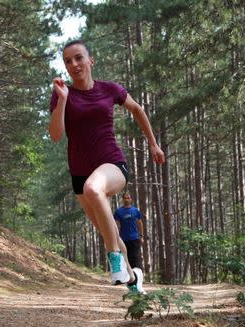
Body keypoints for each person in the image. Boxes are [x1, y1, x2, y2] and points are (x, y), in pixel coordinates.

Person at [49, 39, 165, 294]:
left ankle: (113, 259)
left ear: (91, 60)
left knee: (94, 188)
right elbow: (57, 135)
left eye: (79, 58)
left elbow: (137, 109)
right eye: (68, 61)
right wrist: (62, 100)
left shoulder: (109, 89)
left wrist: (154, 145)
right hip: (78, 173)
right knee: (109, 230)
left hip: (111, 163)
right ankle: (135, 280)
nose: (74, 64)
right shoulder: (62, 95)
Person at [114, 192, 144, 271]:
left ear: (131, 199)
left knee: (135, 258)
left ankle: (135, 277)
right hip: (123, 239)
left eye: (128, 198)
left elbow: (140, 223)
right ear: (122, 199)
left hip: (134, 239)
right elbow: (115, 225)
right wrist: (115, 237)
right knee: (124, 258)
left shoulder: (135, 210)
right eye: (125, 198)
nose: (126, 199)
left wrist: (141, 236)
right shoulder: (118, 211)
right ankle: (127, 277)